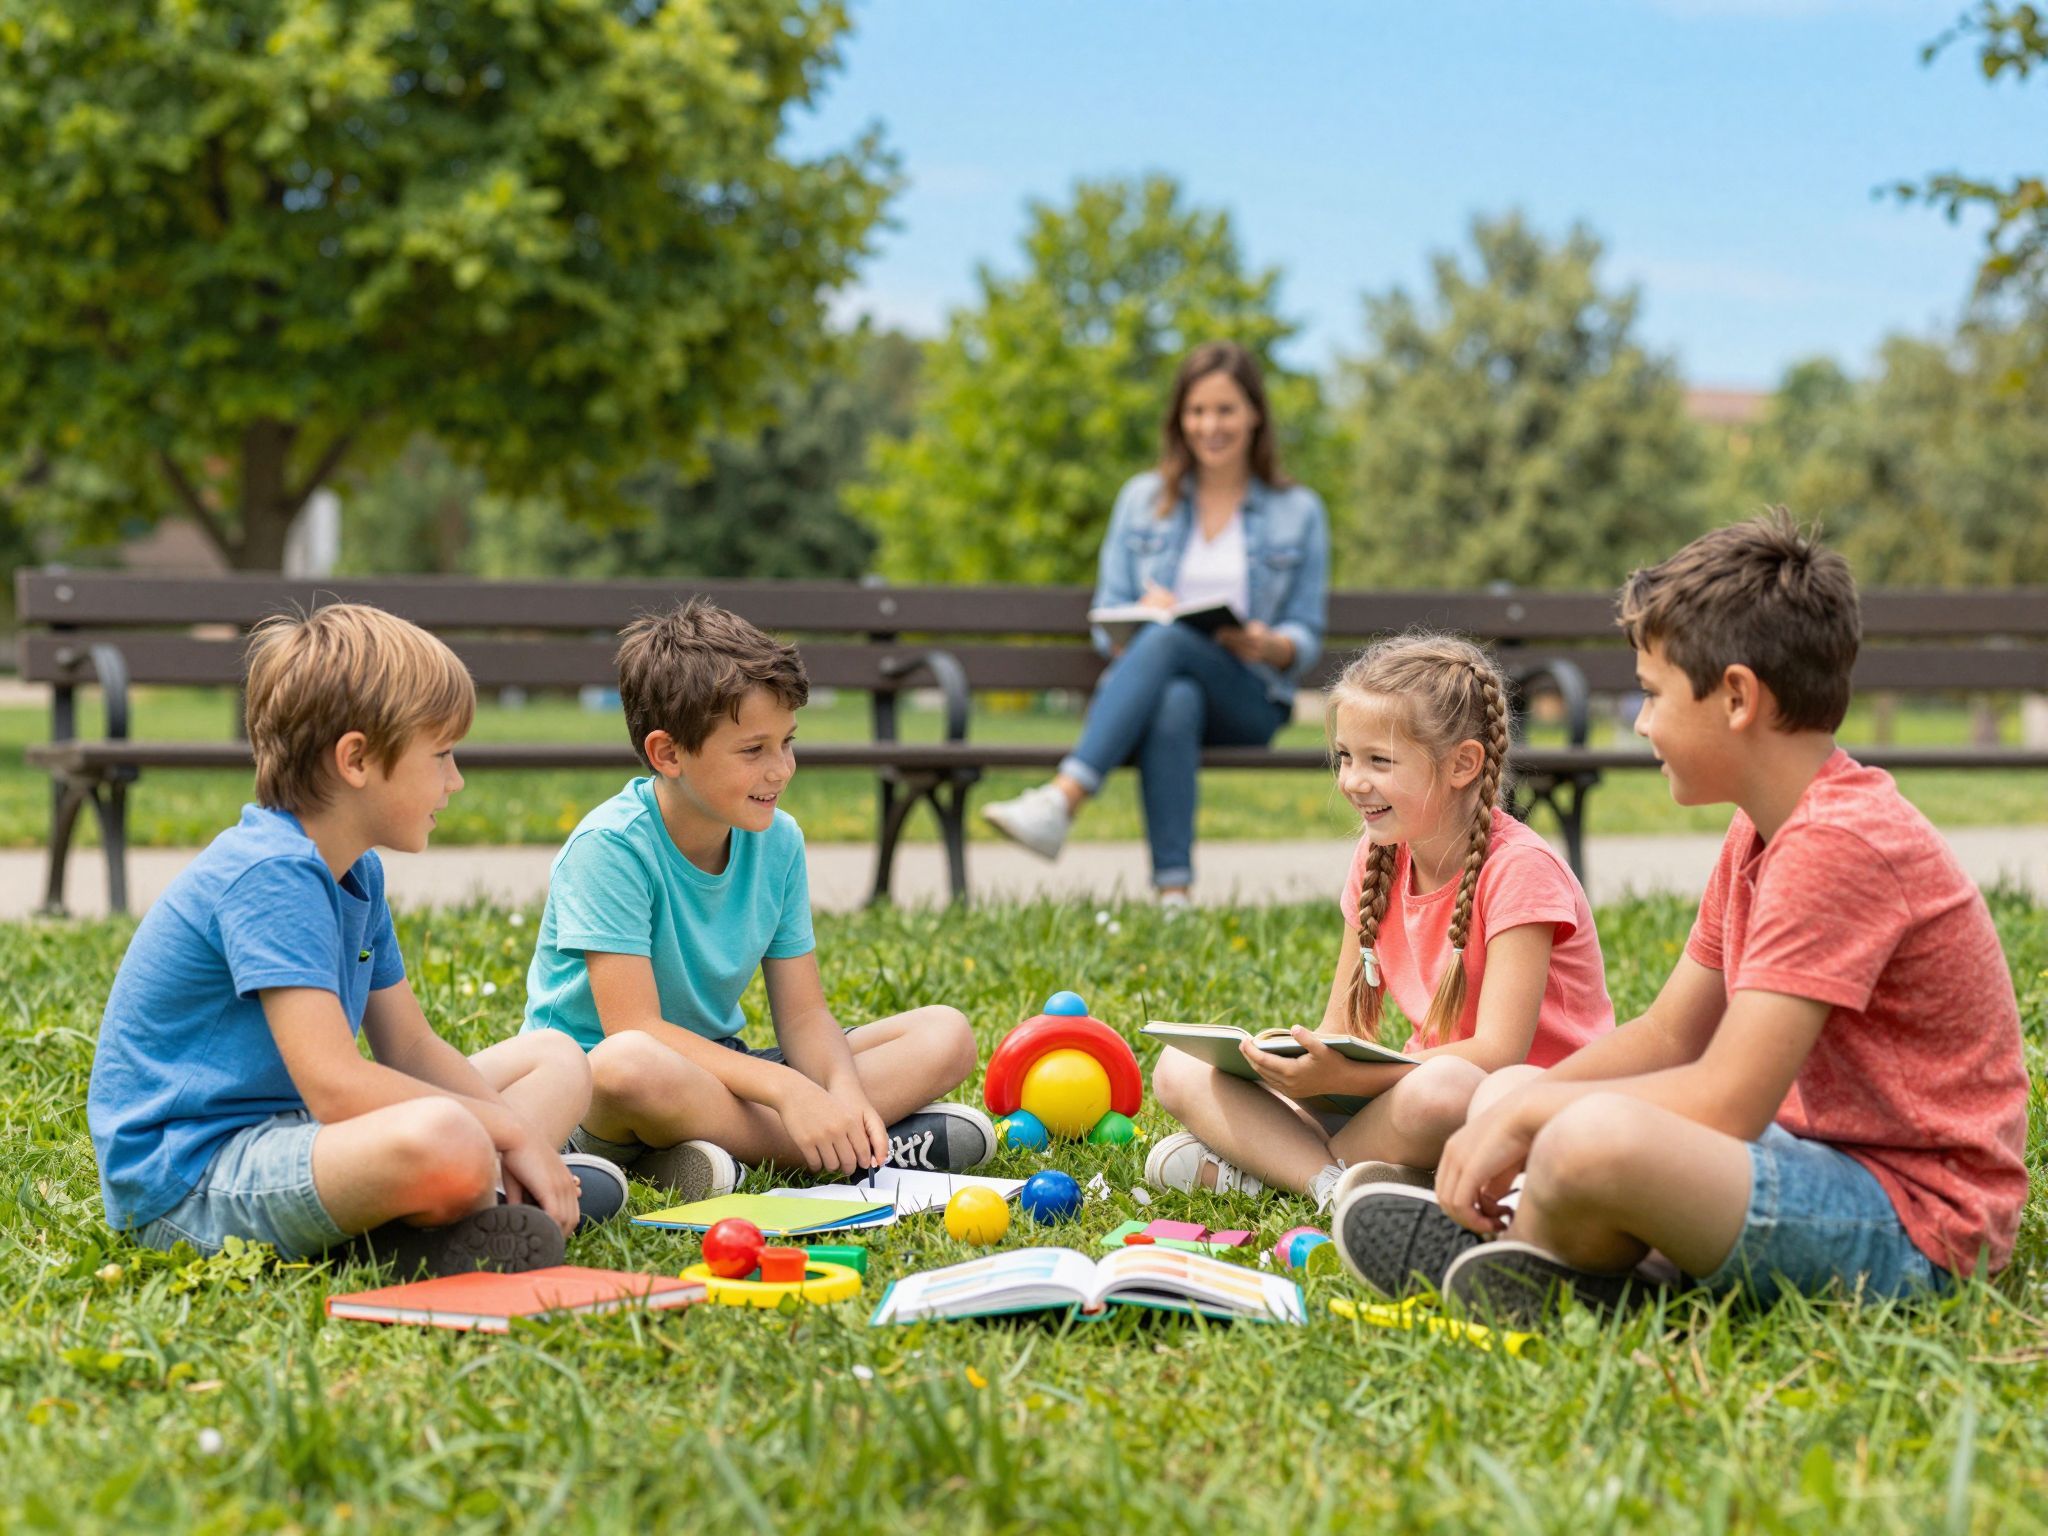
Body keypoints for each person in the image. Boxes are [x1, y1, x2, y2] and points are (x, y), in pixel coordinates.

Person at [1337, 514, 2031, 1324]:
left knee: (1583, 1136)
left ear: (1736, 696)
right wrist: (1514, 1105)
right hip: (1806, 1160)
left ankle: (1533, 1245)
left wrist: (1532, 1119)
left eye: (1652, 693)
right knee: (1519, 1089)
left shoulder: (1840, 845)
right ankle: (1574, 1269)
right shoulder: (1761, 830)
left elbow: (1730, 1099)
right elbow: (1669, 1035)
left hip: (1916, 1223)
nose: (1639, 722)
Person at [89, 604, 624, 1279]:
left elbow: (413, 1048)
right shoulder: (271, 875)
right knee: (452, 1136)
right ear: (357, 760)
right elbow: (338, 1087)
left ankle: (481, 1197)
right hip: (193, 1178)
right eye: (441, 755)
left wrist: (504, 1127)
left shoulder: (355, 872)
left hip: (298, 1135)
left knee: (557, 1059)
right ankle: (466, 1200)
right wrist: (511, 1131)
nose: (455, 780)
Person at [522, 599, 993, 1199]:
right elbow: (632, 1029)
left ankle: (755, 1149)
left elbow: (802, 1016)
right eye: (753, 751)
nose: (781, 770)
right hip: (597, 1095)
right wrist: (791, 1093)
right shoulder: (610, 847)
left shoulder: (777, 840)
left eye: (787, 743)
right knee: (629, 1064)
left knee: (944, 1035)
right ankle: (855, 1150)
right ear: (667, 754)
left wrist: (840, 1091)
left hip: (720, 1074)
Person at [1146, 635, 1613, 1211]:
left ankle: (1279, 1162)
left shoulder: (1520, 871)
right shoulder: (1379, 856)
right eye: (1345, 756)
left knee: (1438, 1094)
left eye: (1379, 761)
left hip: (1510, 1103)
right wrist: (1299, 1063)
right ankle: (1333, 1183)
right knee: (1180, 1068)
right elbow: (1341, 1025)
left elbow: (1497, 1055)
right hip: (1399, 1087)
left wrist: (1351, 1081)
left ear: (1463, 764)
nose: (1352, 780)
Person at [980, 341, 1329, 905]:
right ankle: (1174, 897)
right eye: (1197, 411)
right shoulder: (1142, 500)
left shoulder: (1299, 510)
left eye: (1225, 410)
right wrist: (1145, 614)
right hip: (1163, 687)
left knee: (1171, 641)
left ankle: (1063, 798)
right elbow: (1105, 618)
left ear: (1255, 415)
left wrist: (1271, 644)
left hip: (1249, 696)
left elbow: (1308, 631)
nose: (1210, 425)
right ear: (1179, 419)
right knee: (1175, 696)